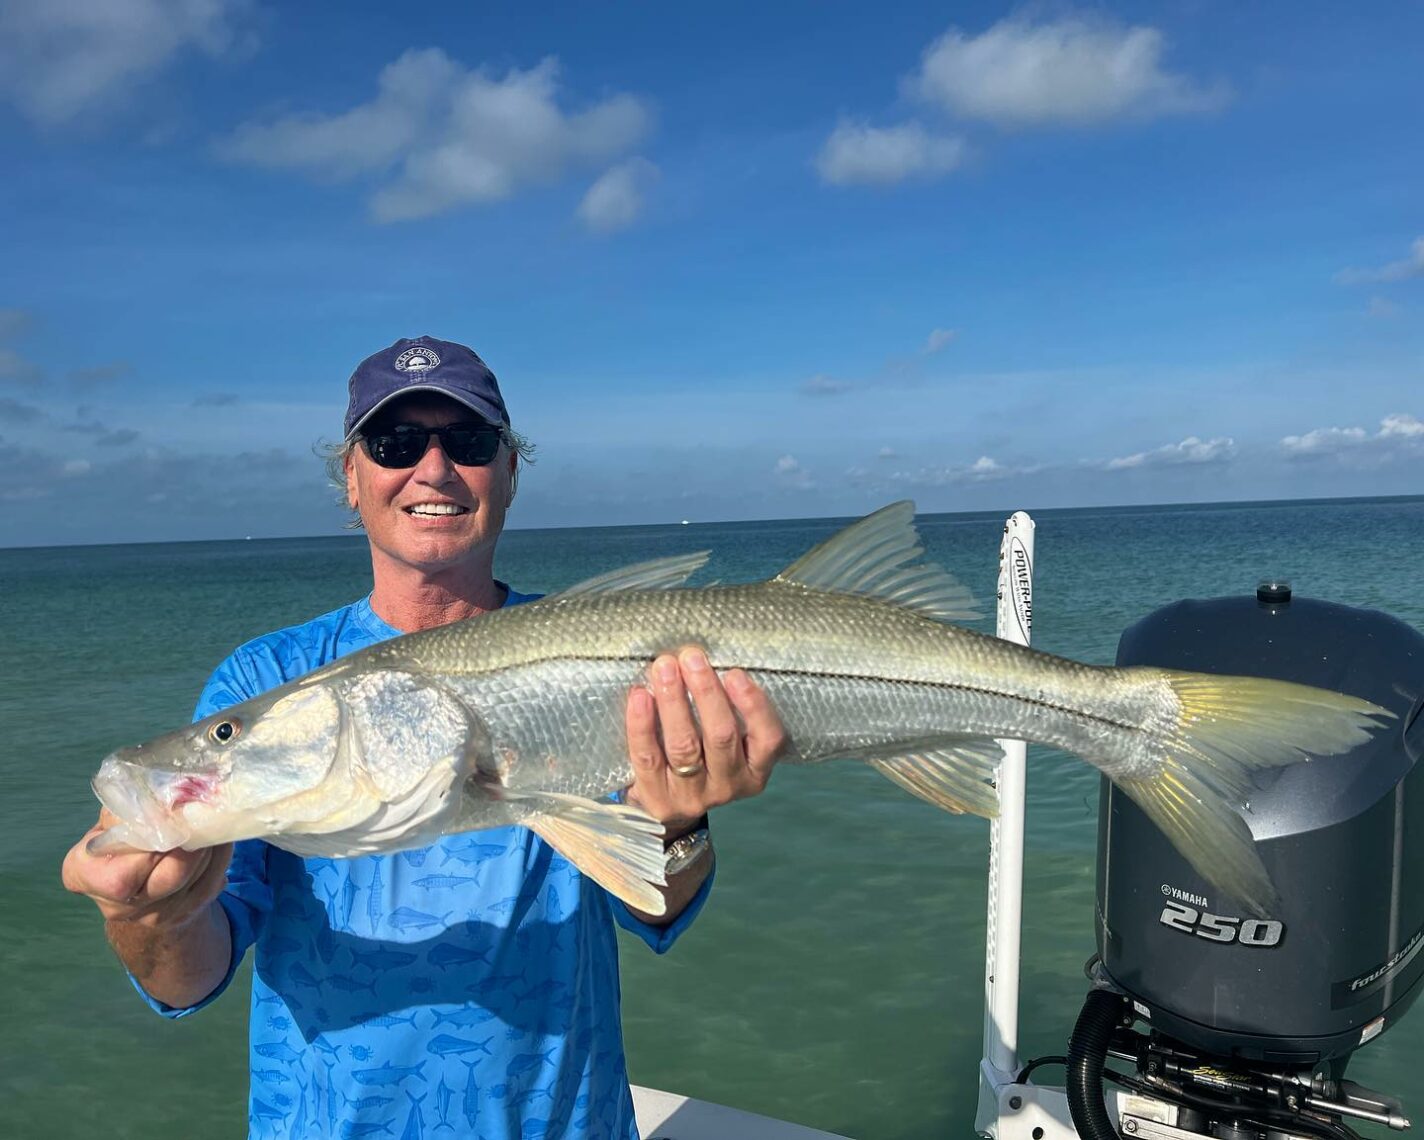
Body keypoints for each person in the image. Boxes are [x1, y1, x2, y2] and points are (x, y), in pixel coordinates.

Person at [62, 336, 787, 1139]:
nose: (434, 470)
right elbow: (190, 981)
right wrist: (147, 918)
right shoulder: (265, 673)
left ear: (510, 472)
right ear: (352, 476)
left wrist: (680, 825)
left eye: (469, 443)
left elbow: (654, 902)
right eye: (396, 443)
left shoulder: (605, 648)